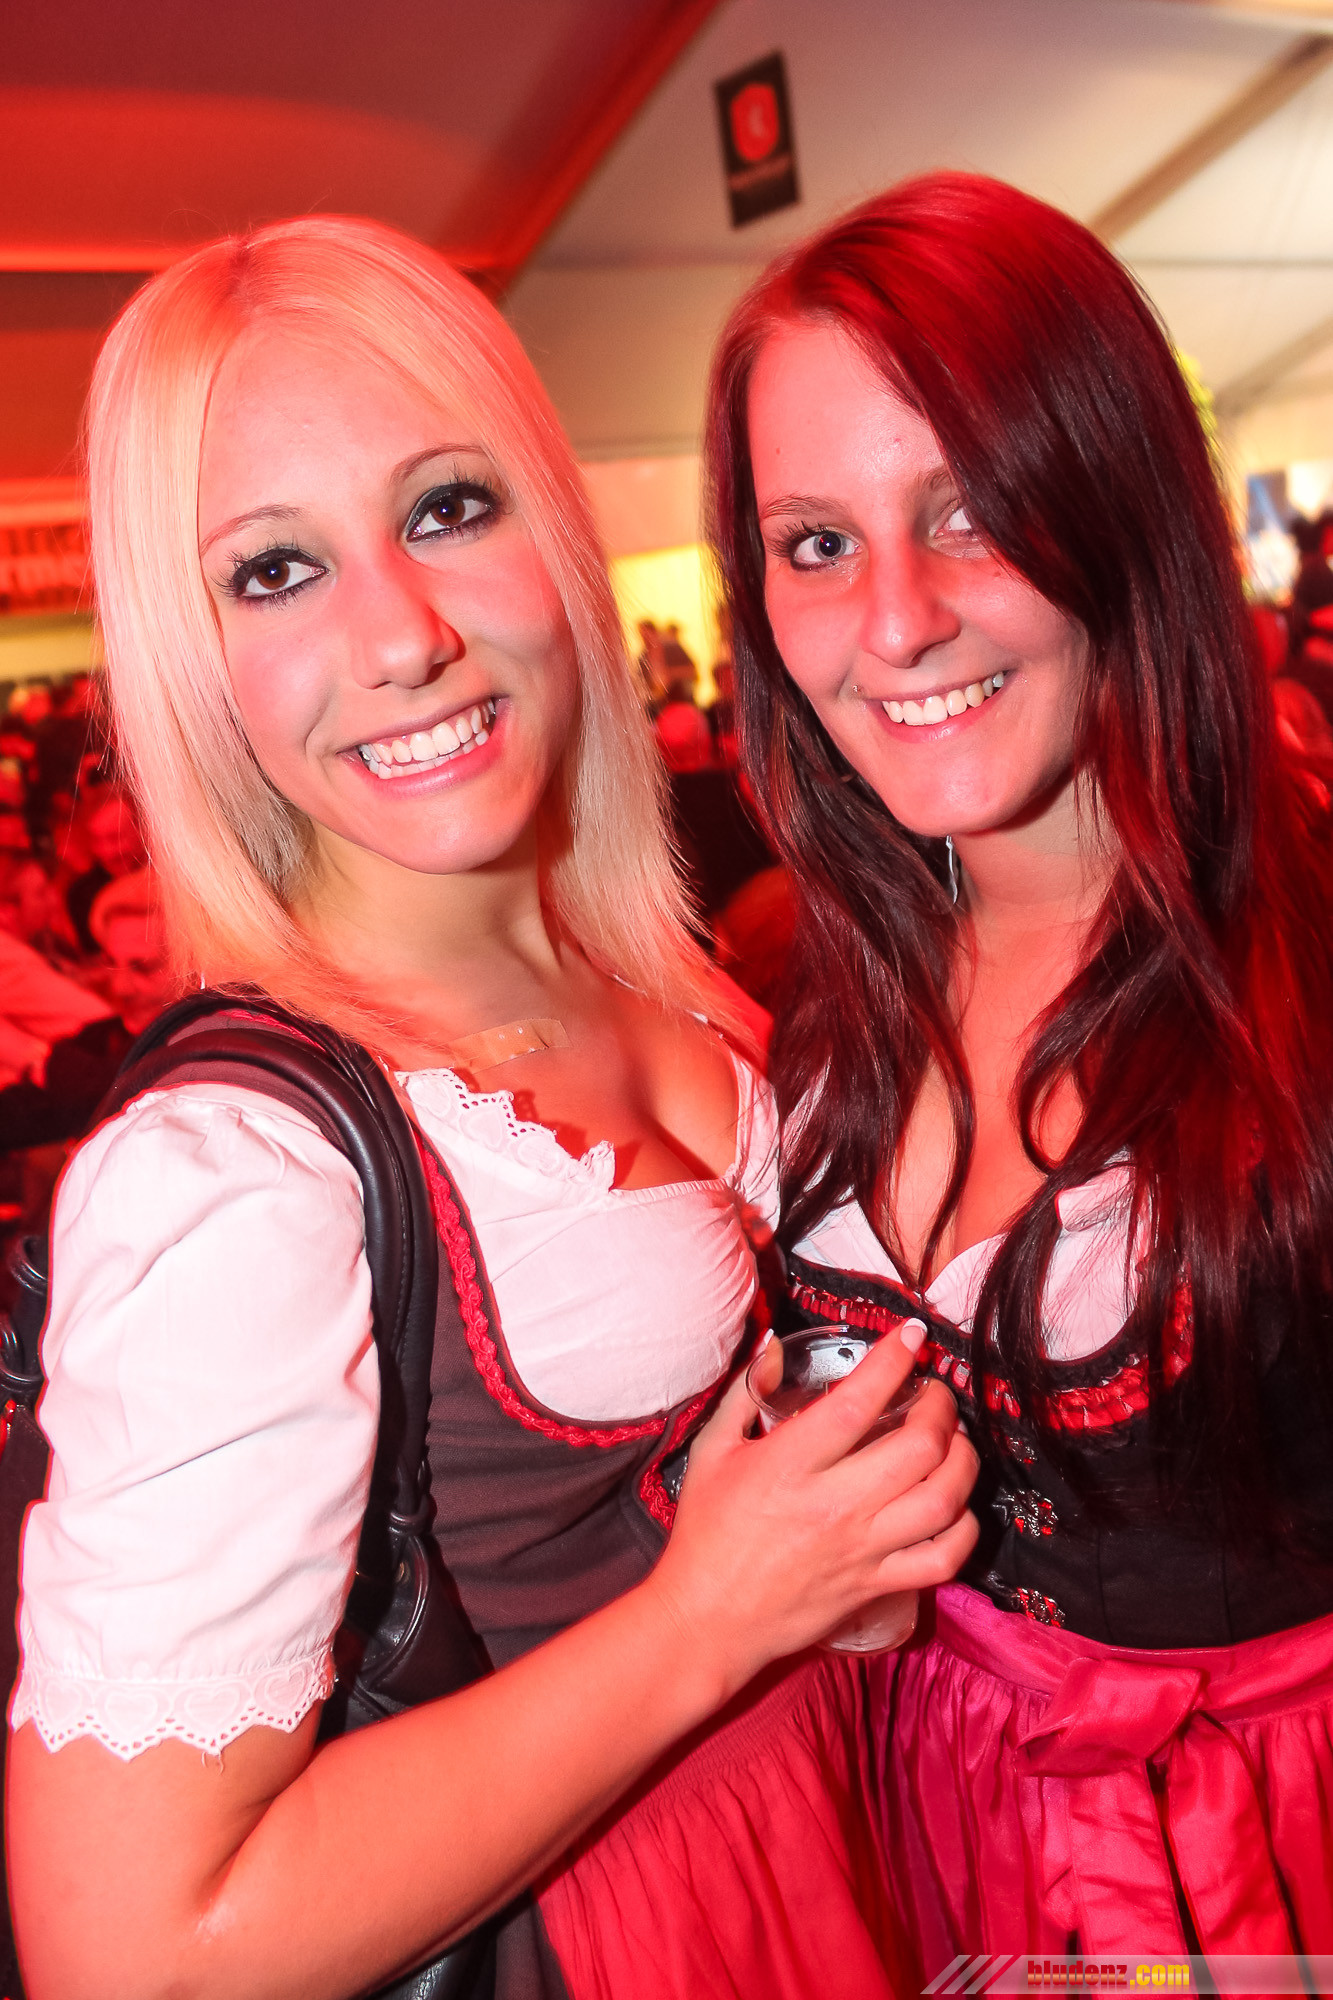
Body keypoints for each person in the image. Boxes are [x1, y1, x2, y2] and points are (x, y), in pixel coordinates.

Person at [7, 214, 979, 2000]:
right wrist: (708, 1619)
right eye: (273, 571)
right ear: (188, 657)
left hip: (850, 1842)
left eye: (448, 508)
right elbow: (132, 1954)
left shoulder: (660, 973)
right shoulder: (236, 1176)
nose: (403, 634)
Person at [705, 172, 1333, 1966]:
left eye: (968, 512)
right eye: (814, 544)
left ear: (1115, 500)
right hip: (913, 1840)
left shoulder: (1304, 985)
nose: (894, 621)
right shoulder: (797, 995)